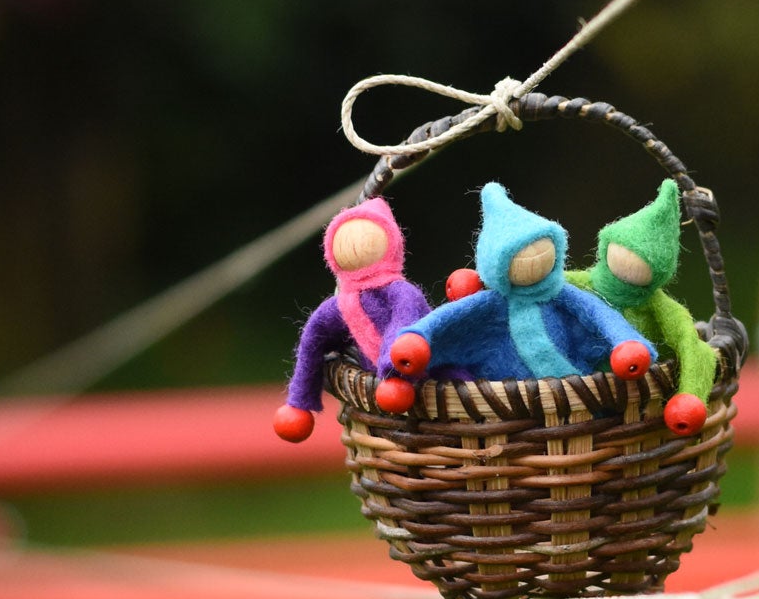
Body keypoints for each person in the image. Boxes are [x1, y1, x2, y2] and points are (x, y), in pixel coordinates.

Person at [377, 182, 651, 395]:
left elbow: (598, 314)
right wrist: (420, 337)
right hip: (505, 401)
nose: (532, 258)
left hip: (581, 395)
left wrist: (624, 341)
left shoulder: (562, 294)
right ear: (496, 265)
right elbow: (452, 317)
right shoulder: (489, 303)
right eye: (516, 254)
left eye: (543, 246)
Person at [274, 198, 432, 441]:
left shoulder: (401, 293)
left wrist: (393, 370)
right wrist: (299, 401)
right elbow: (312, 339)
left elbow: (404, 324)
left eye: (365, 238)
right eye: (344, 239)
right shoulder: (341, 304)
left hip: (430, 373)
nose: (354, 246)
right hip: (383, 400)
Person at [570, 178, 719, 434]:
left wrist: (690, 395)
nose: (629, 262)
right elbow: (549, 284)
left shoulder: (660, 308)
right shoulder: (585, 283)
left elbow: (691, 345)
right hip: (575, 382)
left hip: (637, 400)